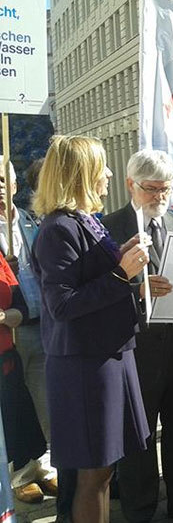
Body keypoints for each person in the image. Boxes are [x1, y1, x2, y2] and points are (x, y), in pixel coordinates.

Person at [31, 135, 151, 522]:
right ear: (82, 173)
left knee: (105, 469)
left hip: (107, 354)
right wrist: (122, 272)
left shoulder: (84, 220)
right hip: (84, 364)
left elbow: (90, 274)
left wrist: (121, 255)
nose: (111, 174)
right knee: (94, 472)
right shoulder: (57, 229)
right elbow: (62, 304)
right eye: (103, 167)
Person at [102, 150, 173, 523]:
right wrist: (137, 288)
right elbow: (99, 294)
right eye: (151, 189)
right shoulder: (108, 228)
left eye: (165, 189)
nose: (158, 197)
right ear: (130, 184)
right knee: (139, 437)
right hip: (135, 350)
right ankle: (140, 510)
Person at [0, 158, 57, 502]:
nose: (0, 186)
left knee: (43, 396)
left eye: (3, 179)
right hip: (8, 331)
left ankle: (45, 464)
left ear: (16, 183)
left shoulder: (33, 222)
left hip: (40, 323)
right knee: (13, 402)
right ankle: (20, 472)